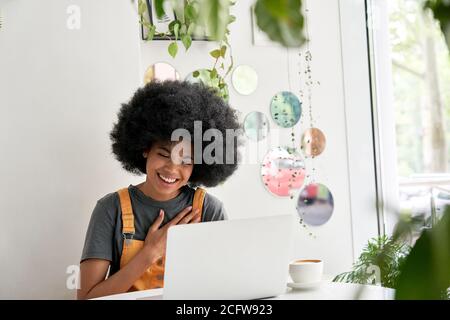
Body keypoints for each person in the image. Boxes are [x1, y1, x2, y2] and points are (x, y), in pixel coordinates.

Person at [77, 80, 241, 299]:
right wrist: (149, 253)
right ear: (145, 149)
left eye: (186, 160)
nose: (172, 169)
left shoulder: (209, 210)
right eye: (164, 154)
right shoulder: (110, 209)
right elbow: (87, 297)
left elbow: (227, 289)